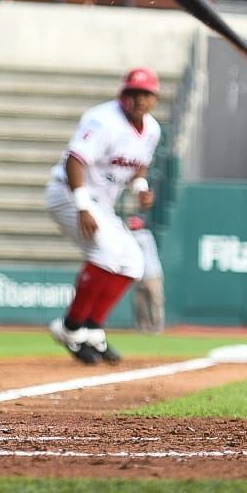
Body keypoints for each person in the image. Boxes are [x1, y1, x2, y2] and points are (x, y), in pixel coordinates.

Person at [44, 68, 162, 365]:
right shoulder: (103, 119)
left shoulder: (153, 129)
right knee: (107, 252)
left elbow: (139, 166)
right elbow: (75, 161)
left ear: (154, 99)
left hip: (102, 203)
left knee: (134, 262)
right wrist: (82, 205)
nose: (139, 100)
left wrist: (141, 187)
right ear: (123, 95)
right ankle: (70, 328)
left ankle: (93, 329)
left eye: (145, 94)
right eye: (133, 93)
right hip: (69, 193)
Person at [127, 215, 165, 334]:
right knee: (140, 303)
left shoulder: (145, 235)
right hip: (139, 275)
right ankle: (143, 327)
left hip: (152, 274)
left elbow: (131, 239)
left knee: (156, 301)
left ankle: (157, 327)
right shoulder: (133, 236)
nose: (132, 229)